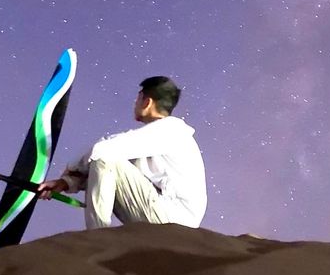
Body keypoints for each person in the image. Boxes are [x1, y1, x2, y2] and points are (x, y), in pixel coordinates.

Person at [38, 76, 207, 229]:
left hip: (173, 220)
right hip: (167, 216)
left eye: (138, 98)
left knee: (104, 159)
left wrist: (71, 168)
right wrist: (66, 183)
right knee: (106, 163)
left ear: (147, 102)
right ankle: (98, 239)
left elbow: (101, 151)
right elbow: (107, 175)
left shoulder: (170, 130)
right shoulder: (154, 140)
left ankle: (96, 239)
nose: (135, 103)